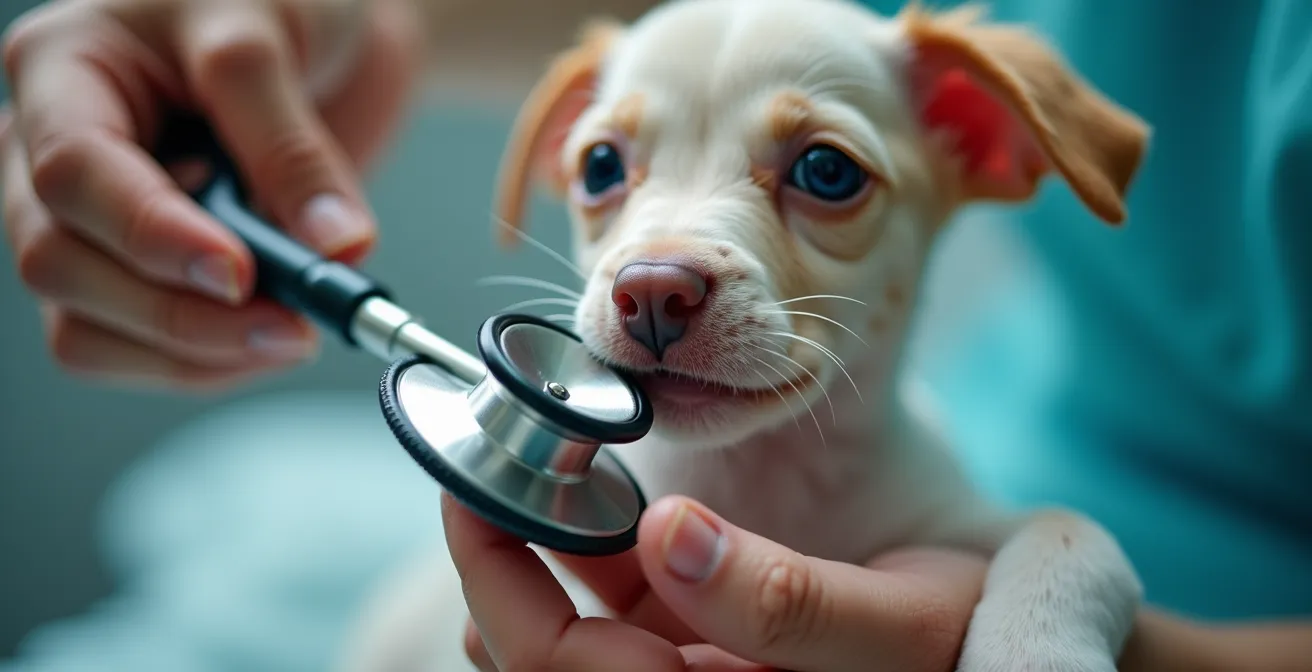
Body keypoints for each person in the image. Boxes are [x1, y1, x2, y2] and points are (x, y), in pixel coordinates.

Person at [1, 0, 1308, 669]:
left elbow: (1053, 562)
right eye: (610, 167)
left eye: (827, 174)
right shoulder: (552, 506)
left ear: (980, 142)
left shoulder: (949, 511)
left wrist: (1082, 622)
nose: (659, 268)